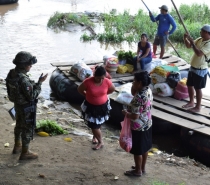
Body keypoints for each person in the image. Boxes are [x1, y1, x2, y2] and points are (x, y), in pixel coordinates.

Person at [6, 51, 48, 160]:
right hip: (26, 108)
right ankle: (25, 152)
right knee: (27, 128)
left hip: (17, 105)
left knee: (19, 125)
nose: (31, 66)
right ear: (24, 65)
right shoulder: (24, 79)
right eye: (30, 65)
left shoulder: (11, 73)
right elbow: (31, 96)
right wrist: (39, 83)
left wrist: (33, 83)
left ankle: (17, 146)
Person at [122, 71, 153, 177]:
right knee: (144, 148)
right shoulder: (148, 90)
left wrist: (126, 113)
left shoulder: (138, 98)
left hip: (138, 126)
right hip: (147, 123)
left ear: (140, 83)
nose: (133, 83)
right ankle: (142, 168)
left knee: (137, 150)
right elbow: (133, 92)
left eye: (134, 81)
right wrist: (134, 86)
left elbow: (135, 116)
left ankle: (138, 171)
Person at [77, 66, 115, 150]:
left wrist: (103, 95)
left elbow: (112, 89)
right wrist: (87, 95)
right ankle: (101, 141)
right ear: (94, 75)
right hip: (91, 107)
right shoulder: (88, 82)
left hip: (102, 106)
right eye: (98, 78)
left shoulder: (107, 82)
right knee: (94, 125)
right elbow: (79, 89)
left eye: (102, 78)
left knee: (98, 123)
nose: (101, 80)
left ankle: (96, 138)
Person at [182, 25, 210, 112]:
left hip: (200, 69)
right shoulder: (199, 39)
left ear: (206, 32)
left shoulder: (209, 44)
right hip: (193, 67)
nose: (200, 32)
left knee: (198, 88)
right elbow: (189, 46)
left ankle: (198, 107)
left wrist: (193, 43)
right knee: (189, 85)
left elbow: (198, 53)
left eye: (201, 31)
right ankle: (191, 102)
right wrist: (185, 39)